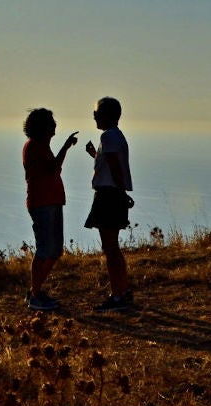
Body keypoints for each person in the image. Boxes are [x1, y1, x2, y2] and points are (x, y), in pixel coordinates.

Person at [22, 108, 78, 310]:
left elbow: (53, 168)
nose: (54, 125)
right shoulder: (34, 147)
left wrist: (63, 148)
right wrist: (65, 147)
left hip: (51, 202)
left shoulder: (41, 147)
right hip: (43, 203)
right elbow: (53, 169)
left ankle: (35, 290)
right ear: (42, 127)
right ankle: (35, 295)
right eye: (51, 122)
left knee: (54, 250)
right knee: (46, 250)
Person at [84, 97, 133, 312]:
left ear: (105, 115)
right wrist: (95, 154)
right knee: (113, 247)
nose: (94, 116)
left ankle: (117, 296)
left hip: (108, 195)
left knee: (110, 247)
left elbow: (114, 168)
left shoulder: (108, 136)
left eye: (96, 113)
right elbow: (111, 163)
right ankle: (122, 290)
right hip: (113, 194)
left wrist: (121, 193)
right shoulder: (115, 136)